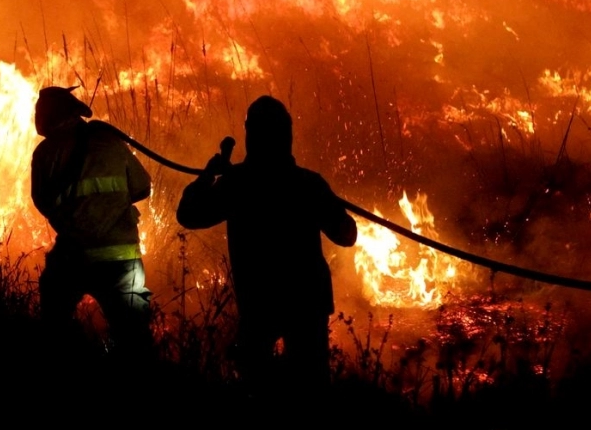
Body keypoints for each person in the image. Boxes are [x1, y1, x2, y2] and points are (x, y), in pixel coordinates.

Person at [176, 95, 357, 406]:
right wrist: (329, 204)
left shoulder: (238, 184)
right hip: (305, 302)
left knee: (257, 390)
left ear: (250, 136)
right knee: (312, 391)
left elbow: (189, 214)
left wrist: (207, 177)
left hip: (260, 301)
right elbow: (346, 234)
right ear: (287, 136)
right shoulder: (308, 183)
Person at [31, 86, 155, 370]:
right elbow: (142, 186)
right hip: (122, 260)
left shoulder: (45, 153)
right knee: (135, 342)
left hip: (73, 256)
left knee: (53, 323)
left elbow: (43, 201)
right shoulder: (111, 142)